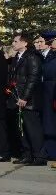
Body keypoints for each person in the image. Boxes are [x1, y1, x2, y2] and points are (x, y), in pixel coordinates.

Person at [11, 33, 47, 166]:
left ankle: (39, 156)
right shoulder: (17, 57)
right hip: (18, 98)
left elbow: (33, 79)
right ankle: (27, 154)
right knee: (22, 129)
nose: (13, 44)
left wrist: (25, 97)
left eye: (15, 41)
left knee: (33, 129)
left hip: (29, 100)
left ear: (24, 43)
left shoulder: (31, 57)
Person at [38, 31, 56, 160]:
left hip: (52, 91)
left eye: (51, 42)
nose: (50, 45)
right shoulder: (50, 56)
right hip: (48, 92)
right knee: (48, 122)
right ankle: (50, 151)